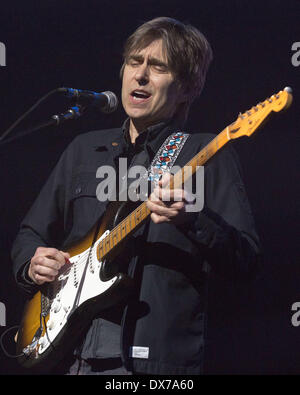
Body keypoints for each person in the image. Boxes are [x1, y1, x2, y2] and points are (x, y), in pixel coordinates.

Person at [11, 17, 261, 375]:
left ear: (188, 87)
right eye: (134, 62)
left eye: (158, 67)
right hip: (69, 354)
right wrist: (31, 264)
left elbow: (247, 259)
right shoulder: (84, 149)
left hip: (149, 363)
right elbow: (29, 234)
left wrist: (192, 219)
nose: (141, 75)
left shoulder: (203, 152)